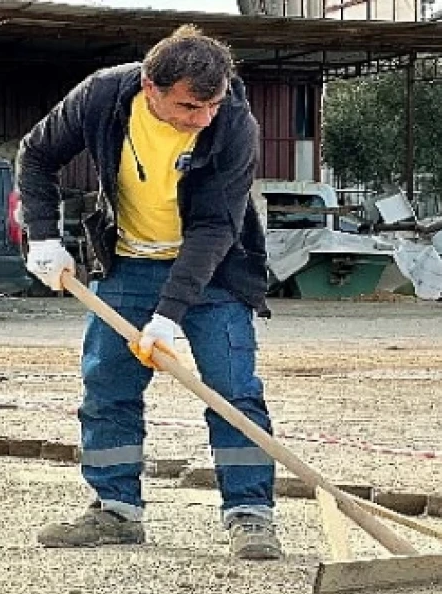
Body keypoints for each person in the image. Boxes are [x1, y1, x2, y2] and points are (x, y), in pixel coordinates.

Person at [17, 25, 279, 559]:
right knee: (107, 386)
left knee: (234, 390)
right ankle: (116, 510)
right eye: (188, 107)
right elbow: (37, 154)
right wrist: (43, 236)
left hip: (213, 272)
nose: (201, 119)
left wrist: (168, 316)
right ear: (149, 87)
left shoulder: (233, 126)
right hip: (128, 264)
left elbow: (213, 229)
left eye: (212, 104)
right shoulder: (102, 97)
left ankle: (250, 513)